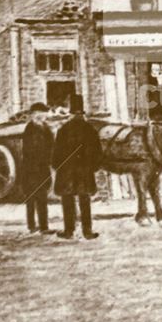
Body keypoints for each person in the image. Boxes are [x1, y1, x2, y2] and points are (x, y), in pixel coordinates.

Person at [51, 94, 102, 239]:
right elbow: (98, 152)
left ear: (71, 114)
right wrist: (93, 167)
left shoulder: (63, 129)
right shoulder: (90, 129)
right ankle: (87, 231)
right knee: (84, 201)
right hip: (84, 171)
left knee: (67, 201)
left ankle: (69, 231)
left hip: (67, 171)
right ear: (82, 114)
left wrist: (57, 166)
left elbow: (56, 152)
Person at [22, 102, 54, 234]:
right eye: (42, 114)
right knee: (31, 198)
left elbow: (51, 145)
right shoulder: (30, 129)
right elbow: (29, 150)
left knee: (42, 198)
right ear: (35, 114)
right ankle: (31, 226)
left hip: (42, 168)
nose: (44, 116)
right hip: (31, 170)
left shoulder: (46, 128)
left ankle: (44, 226)